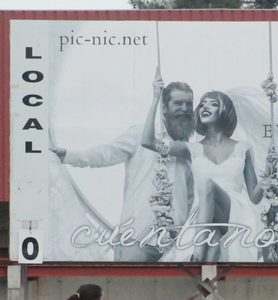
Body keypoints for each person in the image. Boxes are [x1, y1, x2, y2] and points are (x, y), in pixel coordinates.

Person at [51, 80, 195, 262]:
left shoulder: (190, 148)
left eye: (188, 104)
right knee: (127, 289)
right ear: (164, 108)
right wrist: (70, 155)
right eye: (178, 103)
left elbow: (189, 196)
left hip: (172, 245)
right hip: (136, 238)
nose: (184, 109)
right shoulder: (140, 134)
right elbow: (107, 153)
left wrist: (180, 228)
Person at [142, 72, 278, 263]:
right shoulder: (192, 149)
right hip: (204, 218)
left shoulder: (243, 148)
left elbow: (255, 197)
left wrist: (269, 170)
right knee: (213, 251)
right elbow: (147, 141)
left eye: (212, 103)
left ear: (224, 110)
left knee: (206, 185)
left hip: (233, 212)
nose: (205, 106)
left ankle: (196, 254)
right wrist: (156, 97)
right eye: (203, 104)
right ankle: (207, 280)